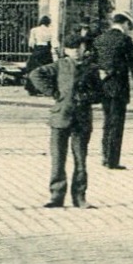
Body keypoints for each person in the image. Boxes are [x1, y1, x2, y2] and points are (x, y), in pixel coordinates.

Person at [26, 30, 102, 208]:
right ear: (66, 50)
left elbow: (100, 92)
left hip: (82, 118)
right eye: (71, 48)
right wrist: (54, 92)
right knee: (58, 158)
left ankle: (80, 197)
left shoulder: (91, 69)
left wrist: (88, 96)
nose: (75, 51)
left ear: (84, 49)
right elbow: (35, 74)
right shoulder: (59, 66)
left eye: (78, 47)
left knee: (80, 159)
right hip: (60, 116)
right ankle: (56, 195)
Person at [92, 12, 133, 169]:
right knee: (116, 124)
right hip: (119, 88)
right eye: (129, 26)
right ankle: (112, 160)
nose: (129, 29)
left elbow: (93, 63)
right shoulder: (125, 40)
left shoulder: (100, 39)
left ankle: (104, 155)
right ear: (125, 23)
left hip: (104, 87)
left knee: (107, 121)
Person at [25, 15, 54, 88]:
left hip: (37, 50)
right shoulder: (50, 30)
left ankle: (31, 87)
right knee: (48, 70)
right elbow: (54, 43)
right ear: (48, 23)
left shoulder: (34, 30)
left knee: (33, 68)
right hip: (47, 51)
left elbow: (31, 43)